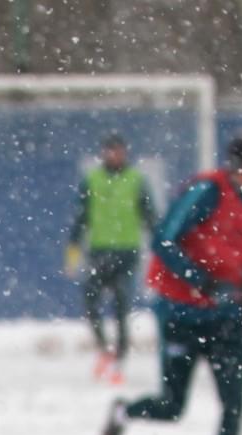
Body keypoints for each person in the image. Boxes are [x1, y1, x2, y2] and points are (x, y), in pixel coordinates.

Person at [100, 130, 242, 435]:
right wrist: (198, 279)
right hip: (181, 316)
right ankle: (124, 413)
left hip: (225, 320)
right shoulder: (207, 193)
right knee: (172, 406)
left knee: (234, 406)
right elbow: (163, 239)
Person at [65, 133, 157, 381]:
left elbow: (150, 217)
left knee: (121, 305)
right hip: (100, 251)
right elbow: (81, 218)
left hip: (127, 252)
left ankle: (119, 360)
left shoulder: (136, 180)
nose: (115, 156)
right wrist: (73, 251)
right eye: (110, 151)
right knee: (91, 301)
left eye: (119, 151)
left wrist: (160, 247)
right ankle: (104, 349)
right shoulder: (92, 180)